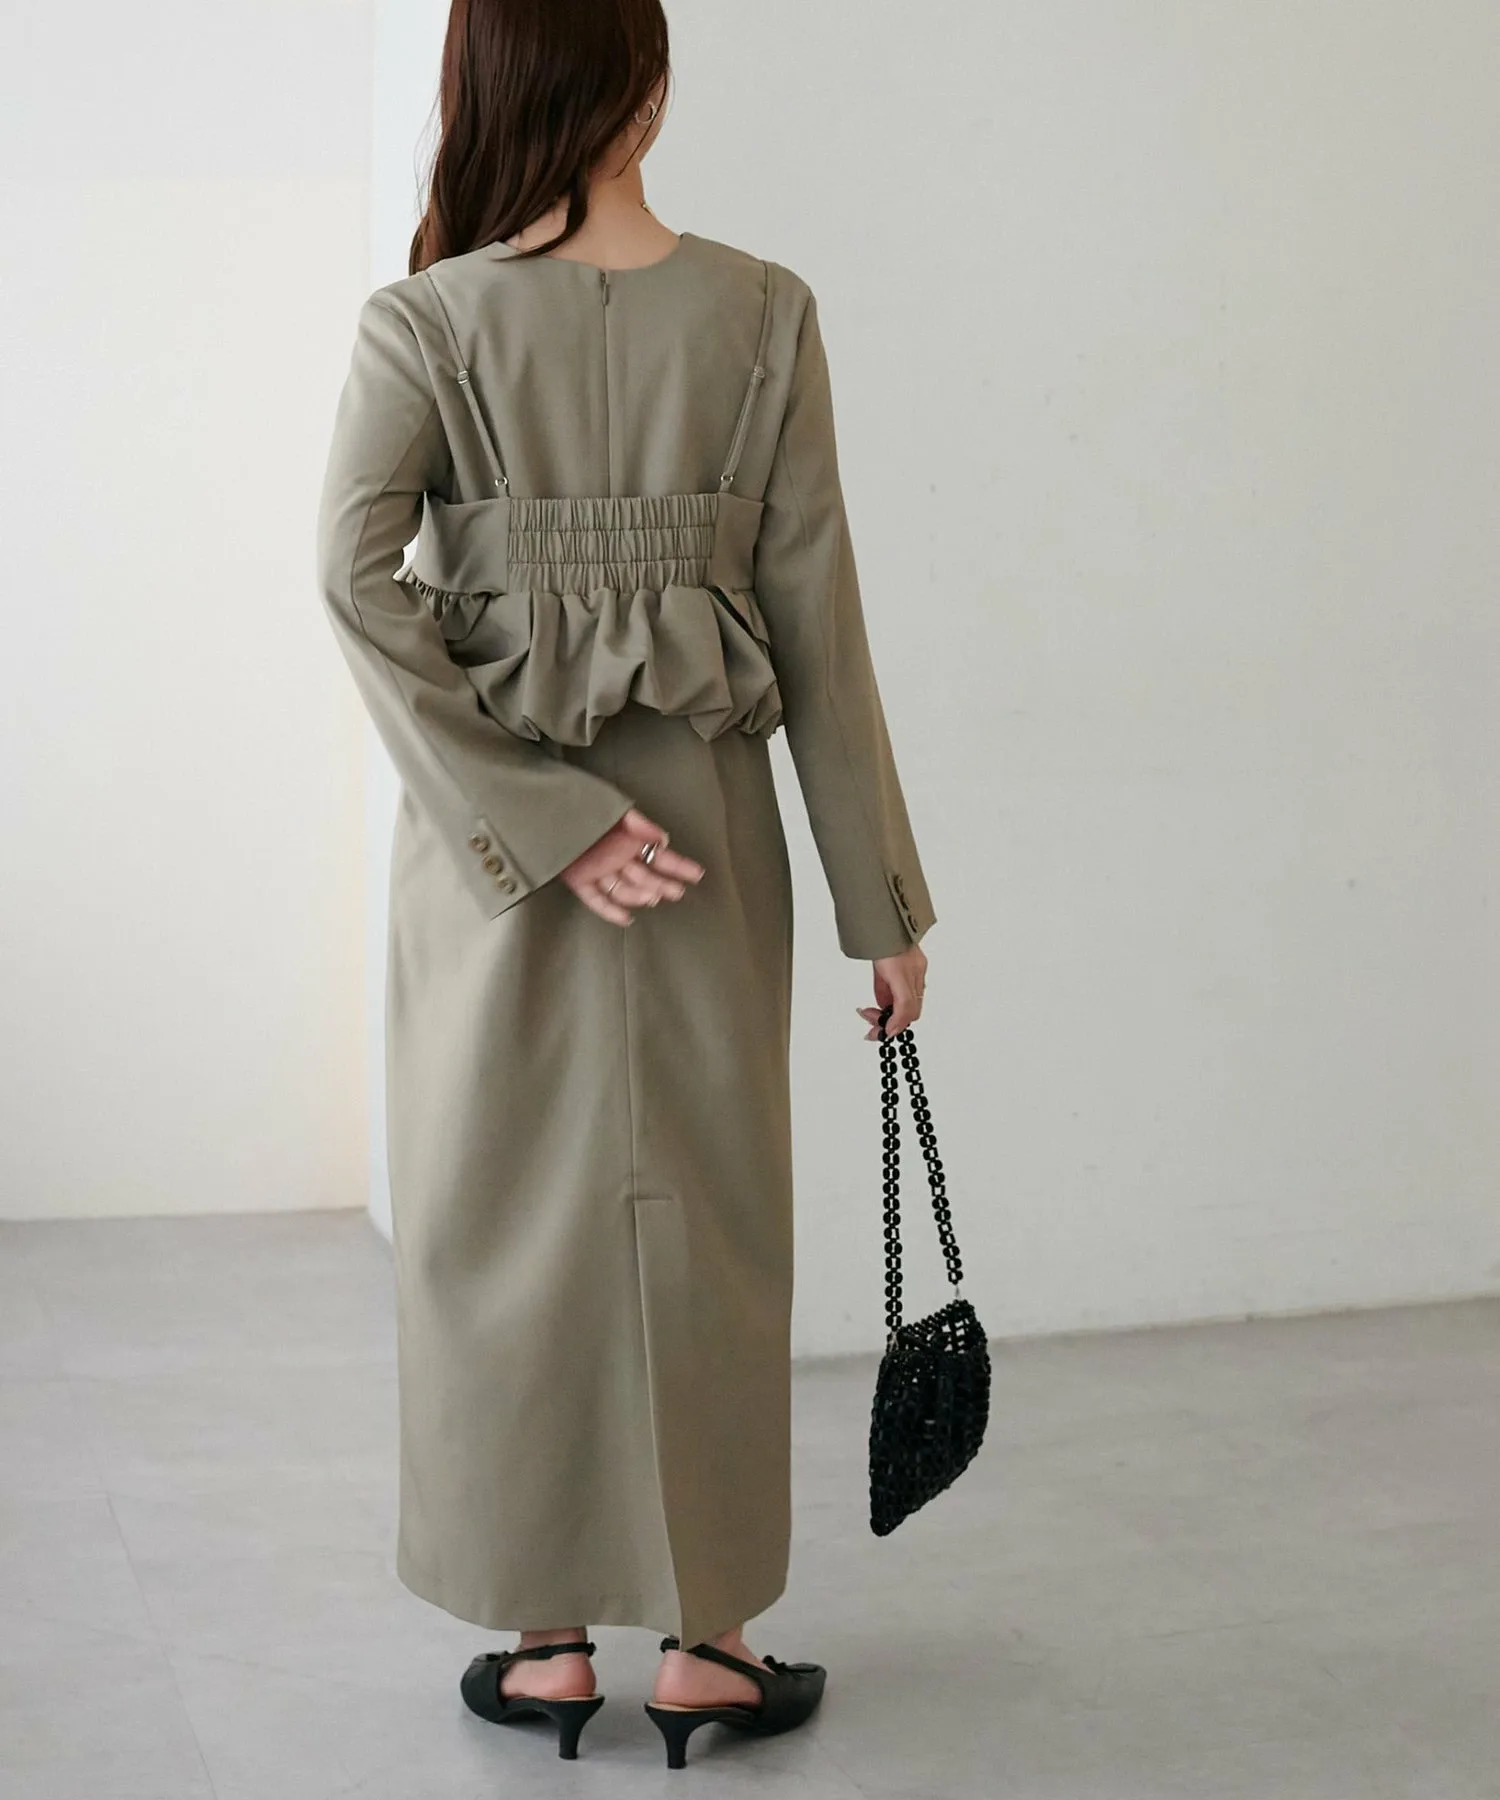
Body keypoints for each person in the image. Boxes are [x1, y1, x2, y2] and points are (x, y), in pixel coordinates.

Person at [314, 0, 935, 1768]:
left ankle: (544, 1646)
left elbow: (355, 582)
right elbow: (818, 622)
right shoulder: (765, 312)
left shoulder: (426, 322)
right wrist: (881, 905)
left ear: (485, 90)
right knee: (708, 1223)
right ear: (646, 89)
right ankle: (712, 1647)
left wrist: (536, 816)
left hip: (496, 864)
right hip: (709, 841)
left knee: (500, 1220)